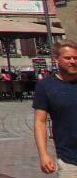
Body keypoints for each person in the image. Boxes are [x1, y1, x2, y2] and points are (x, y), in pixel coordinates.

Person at [34, 41, 77, 175]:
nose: (73, 61)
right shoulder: (46, 86)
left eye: (76, 58)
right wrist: (43, 155)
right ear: (56, 59)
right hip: (69, 159)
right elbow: (40, 122)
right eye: (68, 58)